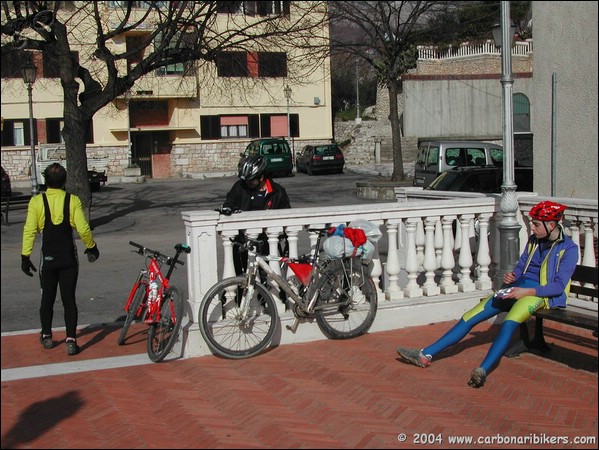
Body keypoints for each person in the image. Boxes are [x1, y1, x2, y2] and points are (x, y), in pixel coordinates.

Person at [396, 200, 578, 388]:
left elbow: (557, 286)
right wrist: (514, 274)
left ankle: (482, 371)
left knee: (508, 324)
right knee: (470, 316)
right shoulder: (534, 241)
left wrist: (526, 292)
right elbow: (523, 264)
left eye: (536, 224)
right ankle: (424, 355)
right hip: (518, 287)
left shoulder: (569, 249)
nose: (532, 227)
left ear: (551, 225)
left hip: (538, 294)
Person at [21, 163, 100, 356]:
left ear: (44, 181)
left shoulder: (37, 202)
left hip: (47, 258)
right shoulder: (72, 200)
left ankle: (47, 336)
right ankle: (71, 340)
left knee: (47, 298)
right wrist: (91, 247)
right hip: (68, 258)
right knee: (69, 299)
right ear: (65, 181)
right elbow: (83, 229)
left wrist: (25, 256)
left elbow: (30, 230)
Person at [217, 155, 291, 275]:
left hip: (267, 243)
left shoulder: (278, 192)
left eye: (251, 180)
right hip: (242, 242)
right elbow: (229, 203)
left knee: (269, 278)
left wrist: (287, 243)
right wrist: (229, 209)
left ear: (261, 177)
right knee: (239, 278)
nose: (247, 183)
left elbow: (288, 217)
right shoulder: (239, 187)